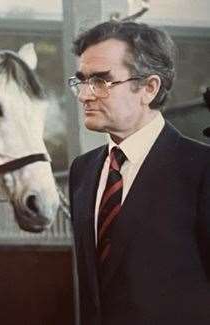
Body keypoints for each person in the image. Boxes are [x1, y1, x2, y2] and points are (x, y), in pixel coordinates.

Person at [68, 21, 210, 325]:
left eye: (101, 81)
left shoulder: (201, 169)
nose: (84, 95)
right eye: (81, 80)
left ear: (149, 88)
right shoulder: (82, 170)